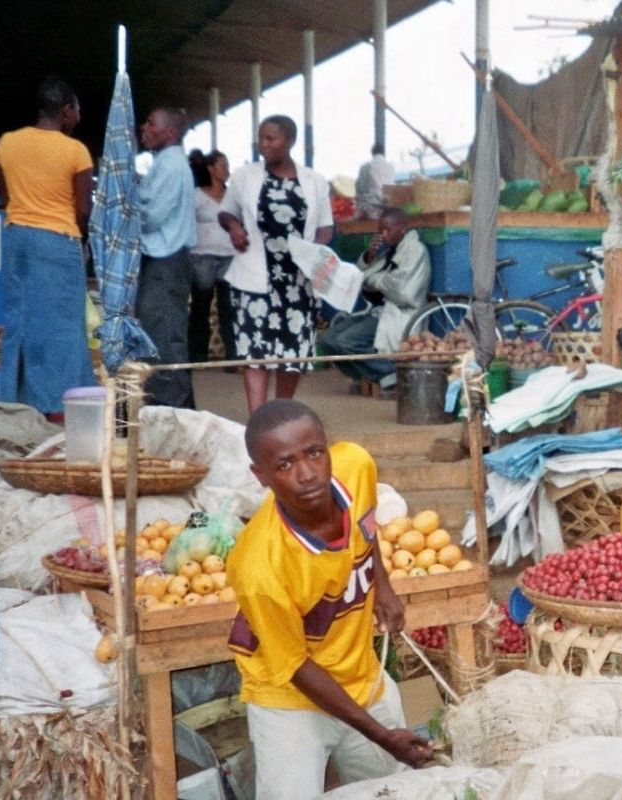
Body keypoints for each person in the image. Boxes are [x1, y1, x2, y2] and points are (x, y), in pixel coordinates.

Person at [226, 400, 432, 799]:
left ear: (327, 447)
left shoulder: (356, 466)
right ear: (261, 475)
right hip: (289, 702)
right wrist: (379, 735)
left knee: (389, 791)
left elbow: (365, 529)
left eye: (314, 453)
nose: (306, 474)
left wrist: (382, 586)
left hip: (363, 679)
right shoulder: (259, 564)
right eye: (284, 465)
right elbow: (296, 666)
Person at [0, 77, 95, 421]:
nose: (78, 116)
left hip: (16, 240)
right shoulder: (75, 151)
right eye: (77, 109)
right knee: (62, 329)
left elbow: (4, 198)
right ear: (66, 111)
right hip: (57, 242)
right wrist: (77, 241)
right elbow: (82, 210)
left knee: (20, 321)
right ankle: (58, 408)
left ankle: (14, 402)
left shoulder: (8, 143)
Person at [219, 115, 333, 413]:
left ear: (290, 141)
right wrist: (234, 228)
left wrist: (315, 253)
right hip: (253, 277)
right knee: (254, 352)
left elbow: (325, 227)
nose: (263, 144)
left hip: (297, 283)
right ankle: (258, 418)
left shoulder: (315, 181)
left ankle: (281, 413)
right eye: (261, 138)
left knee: (291, 353)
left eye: (271, 138)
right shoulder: (245, 175)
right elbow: (226, 212)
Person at [319, 208, 429, 391]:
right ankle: (367, 375)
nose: (383, 235)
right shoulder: (390, 251)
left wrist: (373, 280)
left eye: (387, 230)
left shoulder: (415, 250)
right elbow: (363, 274)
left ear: (403, 228)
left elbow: (403, 292)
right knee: (327, 340)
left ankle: (387, 372)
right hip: (377, 312)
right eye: (380, 231)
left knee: (345, 341)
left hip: (398, 313)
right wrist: (370, 255)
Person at [138, 105, 197, 409]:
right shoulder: (165, 163)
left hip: (166, 260)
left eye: (151, 123)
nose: (144, 128)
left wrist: (122, 211)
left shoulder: (170, 165)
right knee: (162, 332)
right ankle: (174, 404)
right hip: (167, 260)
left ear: (170, 132)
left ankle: (171, 407)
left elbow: (151, 216)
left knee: (163, 335)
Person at [187, 149, 236, 363]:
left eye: (227, 166)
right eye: (223, 165)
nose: (227, 170)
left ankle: (233, 358)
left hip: (229, 256)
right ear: (210, 168)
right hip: (202, 257)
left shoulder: (233, 195)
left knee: (229, 309)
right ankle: (197, 356)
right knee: (201, 308)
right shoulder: (197, 195)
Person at [354, 143, 396, 221]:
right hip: (390, 205)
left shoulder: (366, 166)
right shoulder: (391, 166)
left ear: (372, 152)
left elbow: (360, 188)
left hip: (373, 207)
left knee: (359, 200)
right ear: (384, 153)